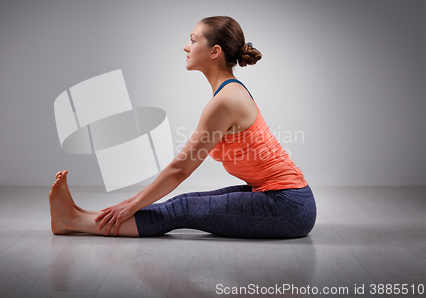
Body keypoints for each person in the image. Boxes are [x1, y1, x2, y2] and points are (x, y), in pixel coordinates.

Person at [49, 16, 316, 238]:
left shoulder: (225, 101)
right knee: (179, 204)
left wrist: (131, 203)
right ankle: (79, 216)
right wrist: (131, 204)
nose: (186, 47)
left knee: (182, 208)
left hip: (288, 207)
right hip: (285, 199)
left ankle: (73, 223)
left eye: (192, 40)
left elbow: (180, 169)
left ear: (215, 52)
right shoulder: (228, 94)